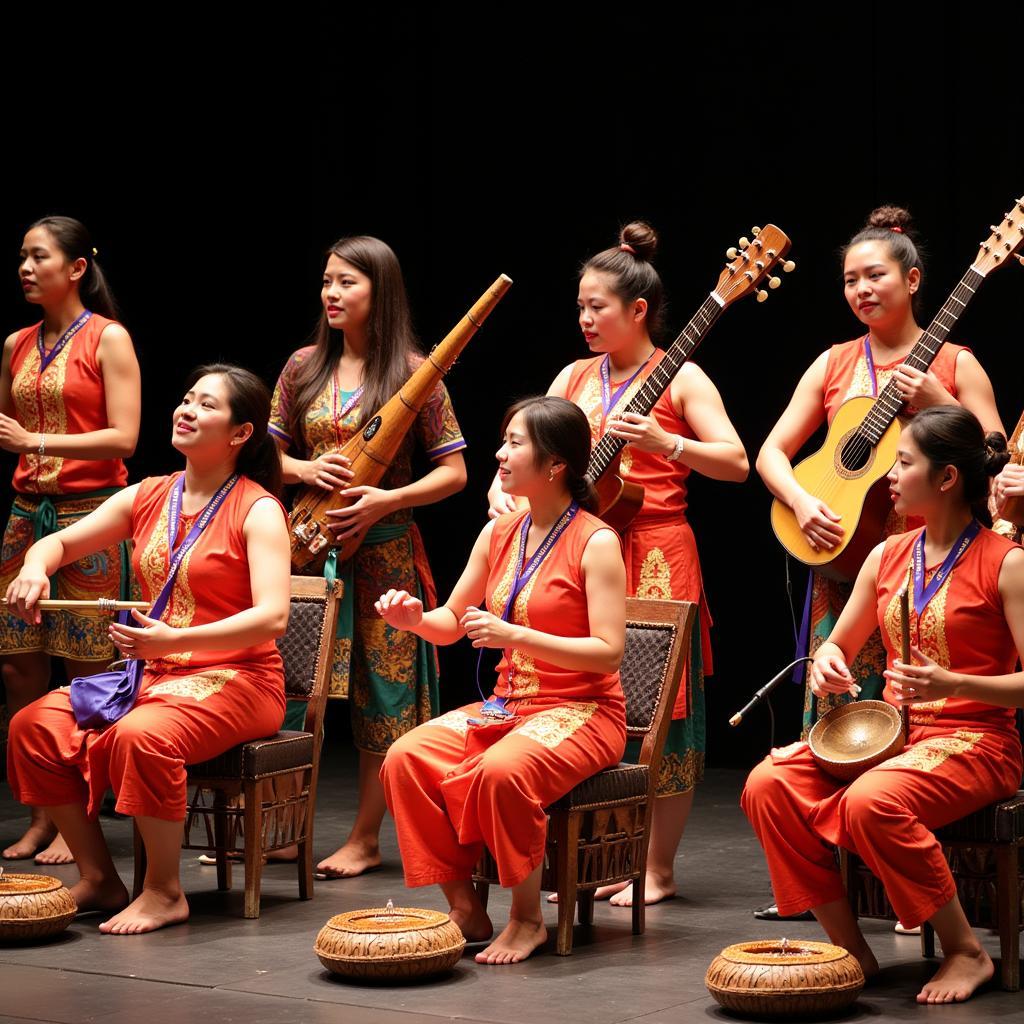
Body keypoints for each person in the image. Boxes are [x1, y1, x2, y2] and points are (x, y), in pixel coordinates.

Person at [488, 222, 748, 906]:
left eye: (597, 306)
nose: (585, 318)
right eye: (579, 306)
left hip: (657, 549)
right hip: (574, 548)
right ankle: (583, 849)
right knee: (572, 694)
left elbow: (737, 461)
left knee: (665, 710)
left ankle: (657, 868)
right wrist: (500, 488)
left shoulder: (681, 375)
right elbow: (527, 443)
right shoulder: (573, 377)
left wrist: (669, 442)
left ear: (638, 311)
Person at [742, 406, 1024, 1004]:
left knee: (872, 801)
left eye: (903, 462)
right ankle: (852, 953)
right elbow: (835, 647)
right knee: (767, 781)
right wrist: (827, 667)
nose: (888, 475)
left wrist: (957, 686)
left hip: (979, 743)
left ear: (947, 478)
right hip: (896, 738)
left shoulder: (1006, 562)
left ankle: (966, 951)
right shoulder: (887, 555)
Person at [5, 365, 290, 934]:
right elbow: (59, 541)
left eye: (206, 405)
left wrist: (175, 640)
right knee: (33, 726)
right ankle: (100, 877)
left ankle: (164, 890)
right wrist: (36, 568)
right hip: (153, 676)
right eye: (186, 398)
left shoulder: (257, 509)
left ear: (240, 434)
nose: (186, 409)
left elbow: (273, 617)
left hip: (241, 679)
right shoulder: (150, 493)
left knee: (144, 735)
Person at [381, 396, 626, 964]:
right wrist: (415, 618)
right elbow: (452, 622)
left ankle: (525, 917)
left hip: (584, 710)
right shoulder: (499, 535)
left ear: (556, 464)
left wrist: (516, 637)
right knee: (406, 757)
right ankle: (464, 905)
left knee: (503, 770)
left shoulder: (596, 541)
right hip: (510, 703)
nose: (500, 453)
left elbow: (608, 654)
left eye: (516, 443)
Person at [756, 206, 1004, 736]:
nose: (862, 289)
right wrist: (802, 502)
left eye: (875, 275)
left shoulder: (957, 364)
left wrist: (942, 401)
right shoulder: (833, 363)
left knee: (919, 705)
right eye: (850, 280)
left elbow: (998, 459)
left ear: (912, 280)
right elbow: (770, 453)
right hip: (842, 546)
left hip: (934, 561)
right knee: (837, 703)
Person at [270, 236, 467, 879]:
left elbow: (455, 474)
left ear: (379, 292)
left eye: (347, 282)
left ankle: (364, 836)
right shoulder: (302, 367)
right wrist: (303, 466)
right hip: (306, 547)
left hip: (384, 553)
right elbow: (262, 455)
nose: (331, 292)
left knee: (384, 698)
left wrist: (385, 500)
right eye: (326, 280)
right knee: (299, 693)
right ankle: (282, 825)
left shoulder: (416, 373)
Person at [1, 216, 141, 865]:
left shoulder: (108, 338)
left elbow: (125, 438)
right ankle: (40, 814)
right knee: (19, 665)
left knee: (88, 669)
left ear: (77, 266)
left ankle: (79, 816)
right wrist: (28, 451)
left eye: (39, 257)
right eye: (23, 258)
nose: (27, 268)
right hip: (29, 516)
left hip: (91, 514)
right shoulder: (16, 344)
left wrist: (39, 442)